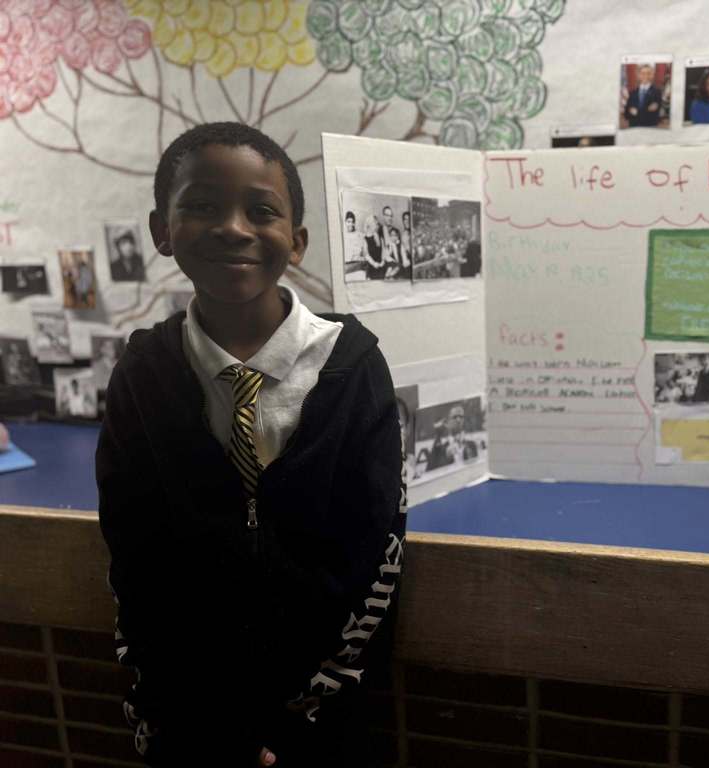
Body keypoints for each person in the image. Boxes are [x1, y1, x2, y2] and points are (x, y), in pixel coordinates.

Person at [96, 122, 405, 767]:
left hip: (322, 722)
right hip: (188, 723)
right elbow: (135, 558)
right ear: (161, 230)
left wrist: (301, 719)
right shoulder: (143, 374)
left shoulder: (352, 368)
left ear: (296, 242)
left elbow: (375, 558)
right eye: (202, 206)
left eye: (261, 211)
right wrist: (192, 720)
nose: (233, 227)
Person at [425, 404, 479, 470]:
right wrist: (447, 458)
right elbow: (429, 470)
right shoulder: (441, 449)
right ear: (447, 422)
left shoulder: (472, 445)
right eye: (455, 417)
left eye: (461, 417)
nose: (458, 420)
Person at [362, 214, 387, 279]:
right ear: (370, 225)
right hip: (372, 267)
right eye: (375, 223)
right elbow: (366, 255)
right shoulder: (365, 239)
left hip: (382, 265)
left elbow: (384, 251)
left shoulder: (380, 237)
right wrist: (374, 263)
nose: (377, 225)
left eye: (376, 223)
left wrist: (383, 262)